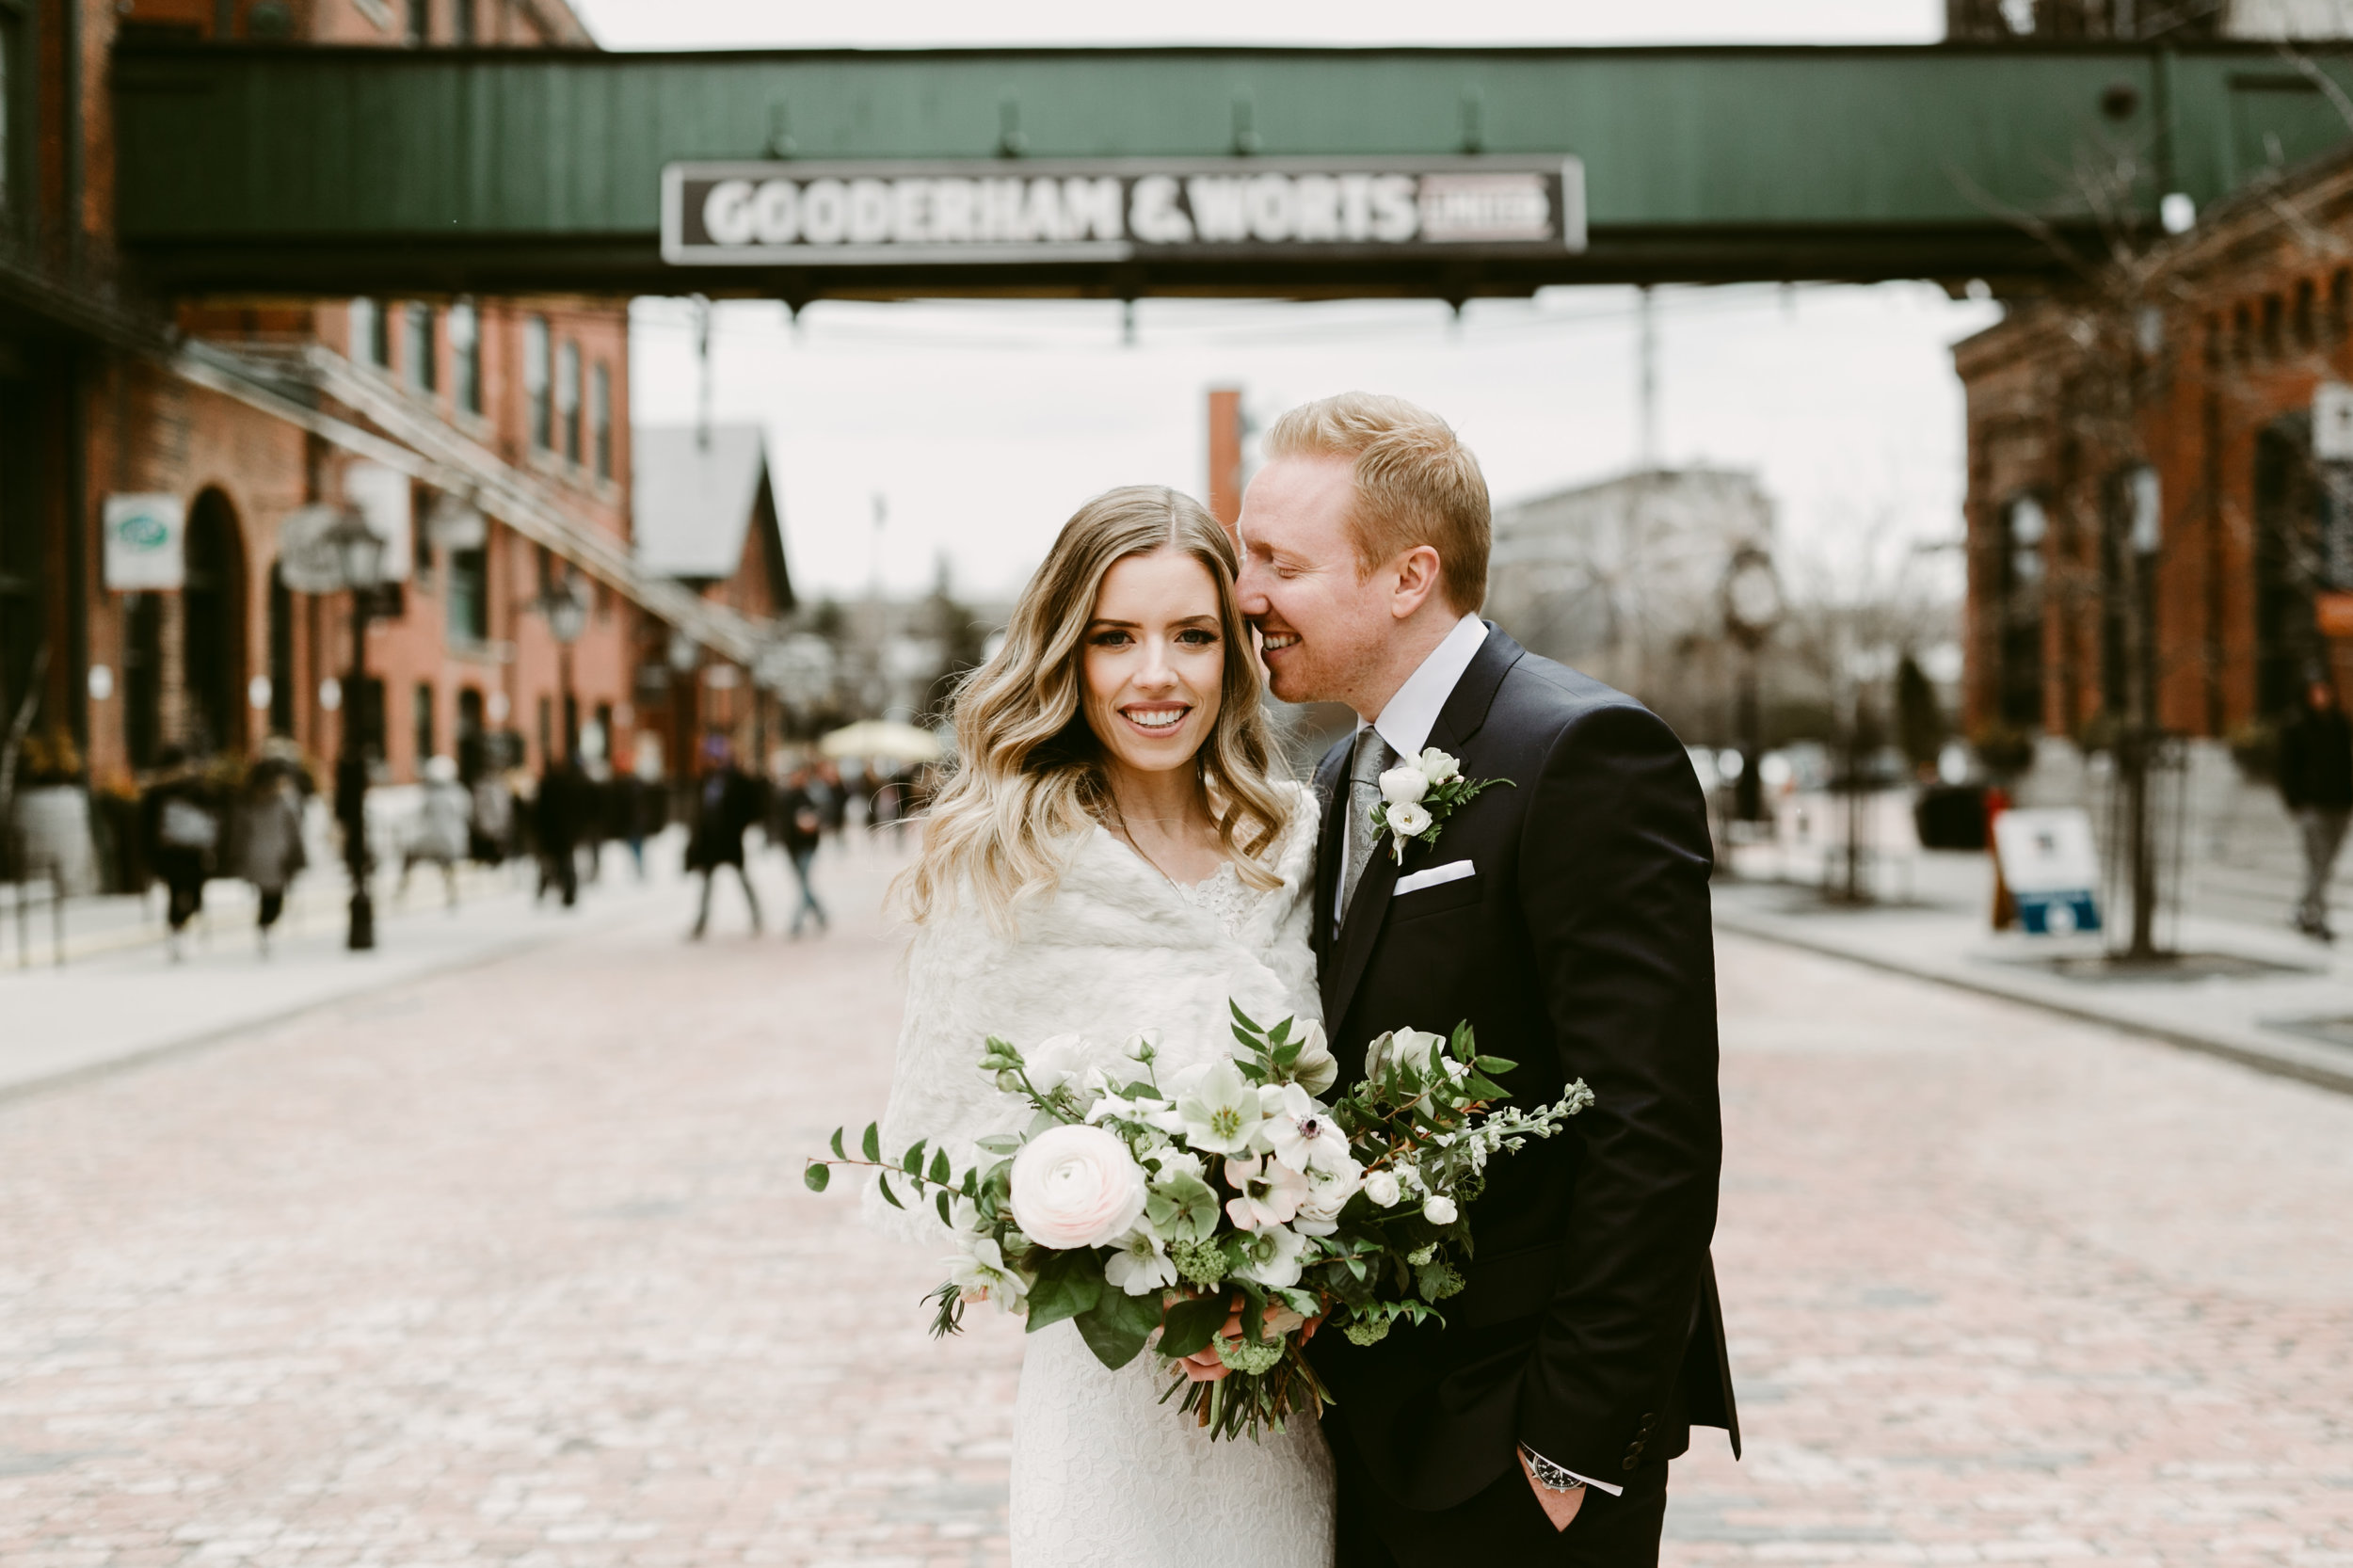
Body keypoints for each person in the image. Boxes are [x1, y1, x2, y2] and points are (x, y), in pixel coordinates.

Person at [1235, 393, 1737, 1565]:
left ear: (1407, 577)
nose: (1246, 592)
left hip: (1520, 1442)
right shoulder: (1343, 768)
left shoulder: (1583, 754)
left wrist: (1570, 1443)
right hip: (1377, 1430)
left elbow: (1652, 1132)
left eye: (1279, 562)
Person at [873, 486, 1331, 1567]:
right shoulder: (1007, 863)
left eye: (1192, 636)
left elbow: (1347, 1119)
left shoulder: (1299, 841)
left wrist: (1294, 1291)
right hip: (1107, 1396)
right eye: (1115, 638)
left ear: (1234, 654)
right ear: (1068, 654)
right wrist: (1151, 1268)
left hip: (1292, 1404)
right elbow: (949, 1156)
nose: (1156, 675)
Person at [2279, 675, 2353, 939]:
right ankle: (2318, 918)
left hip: (2341, 805)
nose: (2322, 696)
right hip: (2313, 806)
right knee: (2319, 863)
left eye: (2326, 690)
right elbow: (2287, 768)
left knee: (2324, 865)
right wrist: (2295, 803)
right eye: (2317, 691)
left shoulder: (2339, 724)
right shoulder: (2297, 726)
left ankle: (2301, 909)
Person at [139, 746, 219, 963]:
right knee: (175, 893)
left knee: (194, 895)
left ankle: (181, 926)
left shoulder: (196, 787)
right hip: (171, 853)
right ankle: (176, 933)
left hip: (194, 852)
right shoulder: (156, 793)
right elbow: (146, 828)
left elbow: (212, 814)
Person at [685, 733, 763, 937]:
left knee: (743, 879)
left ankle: (757, 916)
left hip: (730, 840)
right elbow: (701, 812)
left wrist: (740, 827)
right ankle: (701, 922)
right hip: (710, 841)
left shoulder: (737, 780)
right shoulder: (706, 780)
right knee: (707, 884)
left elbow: (751, 807)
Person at [231, 751, 308, 955]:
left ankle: (264, 927)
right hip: (275, 856)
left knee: (267, 896)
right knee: (273, 897)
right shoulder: (282, 802)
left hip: (258, 856)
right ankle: (265, 927)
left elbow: (239, 833)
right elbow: (295, 831)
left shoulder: (251, 803)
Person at [401, 755, 472, 908]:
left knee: (413, 861)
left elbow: (420, 815)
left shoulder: (432, 794)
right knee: (446, 868)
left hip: (435, 838)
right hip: (447, 840)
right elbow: (466, 813)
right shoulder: (457, 793)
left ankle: (402, 891)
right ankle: (452, 895)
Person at [774, 763, 828, 936]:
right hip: (791, 846)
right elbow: (779, 820)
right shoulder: (785, 796)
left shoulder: (812, 795)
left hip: (807, 846)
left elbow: (823, 814)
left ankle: (795, 923)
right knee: (803, 884)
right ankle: (821, 913)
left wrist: (812, 822)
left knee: (803, 884)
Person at [535, 752, 588, 909]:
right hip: (566, 834)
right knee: (565, 863)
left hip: (553, 833)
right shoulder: (569, 786)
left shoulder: (547, 786)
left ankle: (545, 892)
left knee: (550, 864)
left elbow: (540, 812)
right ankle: (568, 893)